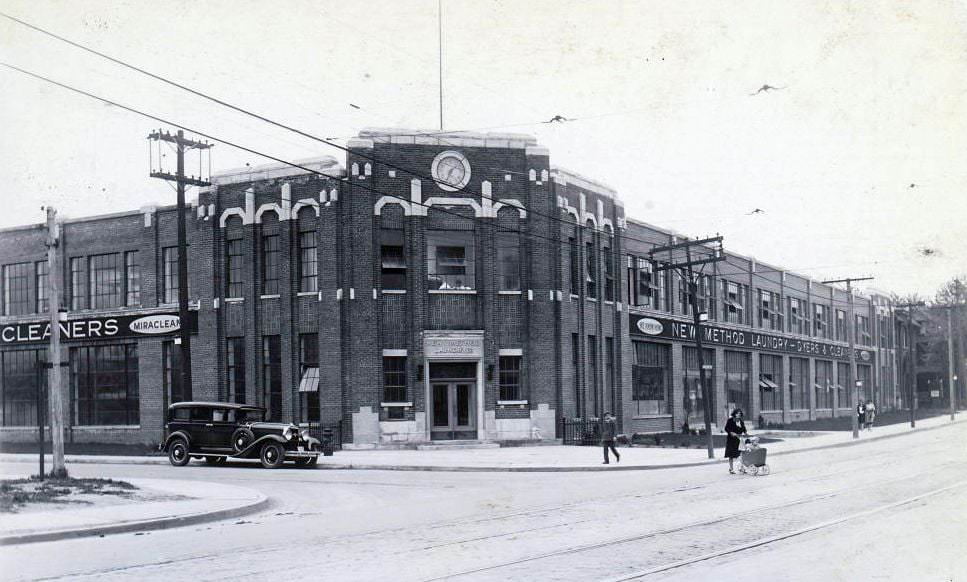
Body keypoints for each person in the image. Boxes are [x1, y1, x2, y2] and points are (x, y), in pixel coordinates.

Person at [724, 408, 747, 474]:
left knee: (741, 454)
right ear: (734, 414)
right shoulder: (730, 420)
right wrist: (731, 432)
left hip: (739, 439)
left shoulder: (741, 421)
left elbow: (744, 429)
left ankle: (742, 467)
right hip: (731, 440)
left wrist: (745, 433)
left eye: (740, 413)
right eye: (737, 413)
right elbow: (726, 428)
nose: (738, 414)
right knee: (731, 454)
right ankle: (731, 469)